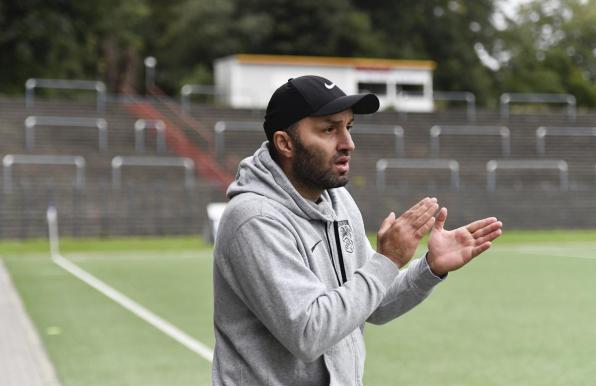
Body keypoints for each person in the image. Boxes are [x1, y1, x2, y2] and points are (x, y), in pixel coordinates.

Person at [212, 75, 503, 385]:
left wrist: (428, 269)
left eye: (348, 128)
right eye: (329, 129)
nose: (348, 143)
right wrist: (387, 260)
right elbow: (308, 333)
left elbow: (371, 303)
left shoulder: (338, 200)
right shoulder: (254, 219)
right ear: (285, 143)